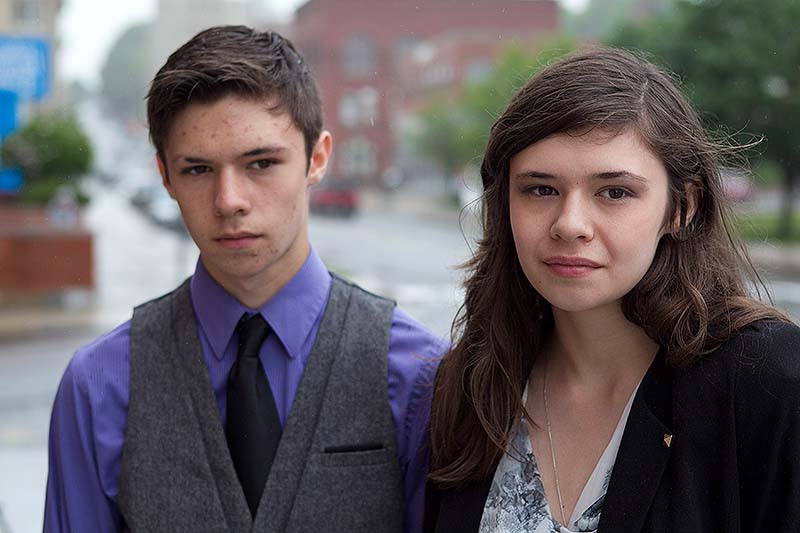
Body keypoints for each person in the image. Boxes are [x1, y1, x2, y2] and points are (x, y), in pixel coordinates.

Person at [45, 26, 446, 533]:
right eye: (197, 170)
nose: (229, 200)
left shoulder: (420, 375)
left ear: (317, 158)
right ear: (164, 176)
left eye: (261, 162)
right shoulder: (99, 384)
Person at [424, 48, 800, 532]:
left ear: (681, 208)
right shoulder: (472, 380)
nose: (570, 225)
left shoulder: (768, 382)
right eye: (540, 189)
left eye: (614, 192)